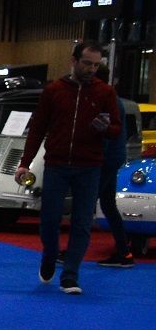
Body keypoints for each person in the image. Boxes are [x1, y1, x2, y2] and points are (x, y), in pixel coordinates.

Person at [15, 40, 120, 294]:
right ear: (73, 61)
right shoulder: (54, 91)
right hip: (57, 165)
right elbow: (38, 129)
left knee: (82, 222)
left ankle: (70, 275)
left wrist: (105, 128)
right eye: (87, 63)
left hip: (89, 166)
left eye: (96, 65)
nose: (91, 69)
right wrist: (24, 164)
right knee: (49, 220)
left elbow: (116, 130)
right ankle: (50, 255)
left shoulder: (105, 93)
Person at [94, 64, 137, 268]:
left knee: (86, 204)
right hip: (112, 157)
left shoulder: (106, 100)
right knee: (108, 205)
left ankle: (73, 252)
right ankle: (124, 252)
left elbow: (106, 134)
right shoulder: (113, 99)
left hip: (106, 159)